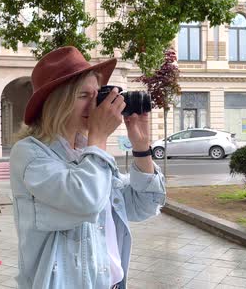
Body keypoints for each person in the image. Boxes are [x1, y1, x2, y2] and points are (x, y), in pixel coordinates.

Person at [9, 46, 166, 289]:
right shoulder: (30, 154)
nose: (96, 107)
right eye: (84, 96)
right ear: (56, 102)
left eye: (98, 95)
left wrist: (141, 148)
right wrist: (99, 138)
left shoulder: (89, 152)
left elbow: (142, 206)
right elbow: (86, 200)